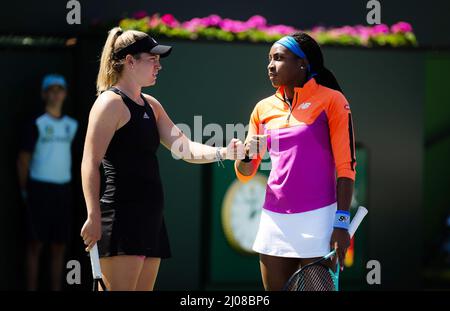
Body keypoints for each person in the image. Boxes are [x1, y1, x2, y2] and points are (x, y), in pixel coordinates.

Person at [80, 27, 244, 291]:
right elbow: (90, 162)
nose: (158, 65)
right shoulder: (109, 104)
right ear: (129, 61)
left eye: (159, 60)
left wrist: (223, 152)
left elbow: (185, 147)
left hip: (151, 218)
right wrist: (93, 215)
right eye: (152, 59)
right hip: (120, 218)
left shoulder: (152, 105)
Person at [234, 33, 357, 291]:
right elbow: (246, 173)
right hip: (274, 220)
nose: (270, 65)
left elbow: (347, 167)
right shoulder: (262, 109)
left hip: (320, 219)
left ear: (302, 64)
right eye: (269, 59)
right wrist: (245, 154)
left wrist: (341, 223)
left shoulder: (333, 101)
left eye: (278, 58)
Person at [17, 74, 78, 290]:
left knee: (59, 247)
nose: (55, 93)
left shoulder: (73, 125)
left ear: (65, 93)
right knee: (35, 245)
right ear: (44, 94)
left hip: (63, 192)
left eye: (59, 89)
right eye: (51, 89)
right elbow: (23, 160)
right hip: (38, 191)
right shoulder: (36, 124)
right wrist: (26, 191)